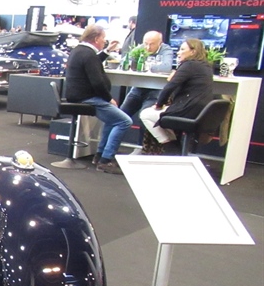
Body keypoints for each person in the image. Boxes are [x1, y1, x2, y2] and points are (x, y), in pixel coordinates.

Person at [64, 24, 132, 175]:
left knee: (112, 120)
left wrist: (107, 51)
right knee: (124, 121)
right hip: (87, 98)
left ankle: (100, 155)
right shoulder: (88, 54)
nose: (104, 41)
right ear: (96, 39)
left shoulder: (80, 51)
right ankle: (105, 160)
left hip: (80, 96)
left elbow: (92, 63)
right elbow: (97, 83)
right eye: (103, 38)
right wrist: (108, 98)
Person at [139, 38, 215, 154]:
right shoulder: (206, 66)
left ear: (193, 52)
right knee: (162, 116)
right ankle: (174, 146)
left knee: (146, 114)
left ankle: (170, 147)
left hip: (189, 111)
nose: (178, 53)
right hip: (201, 112)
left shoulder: (189, 65)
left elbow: (169, 87)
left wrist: (159, 104)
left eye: (182, 49)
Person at [119, 30, 175, 143]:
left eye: (152, 44)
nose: (148, 47)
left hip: (155, 90)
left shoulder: (166, 50)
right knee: (120, 116)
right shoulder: (141, 48)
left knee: (144, 119)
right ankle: (106, 149)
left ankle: (141, 148)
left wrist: (145, 66)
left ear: (160, 43)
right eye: (146, 43)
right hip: (138, 88)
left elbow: (166, 67)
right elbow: (125, 62)